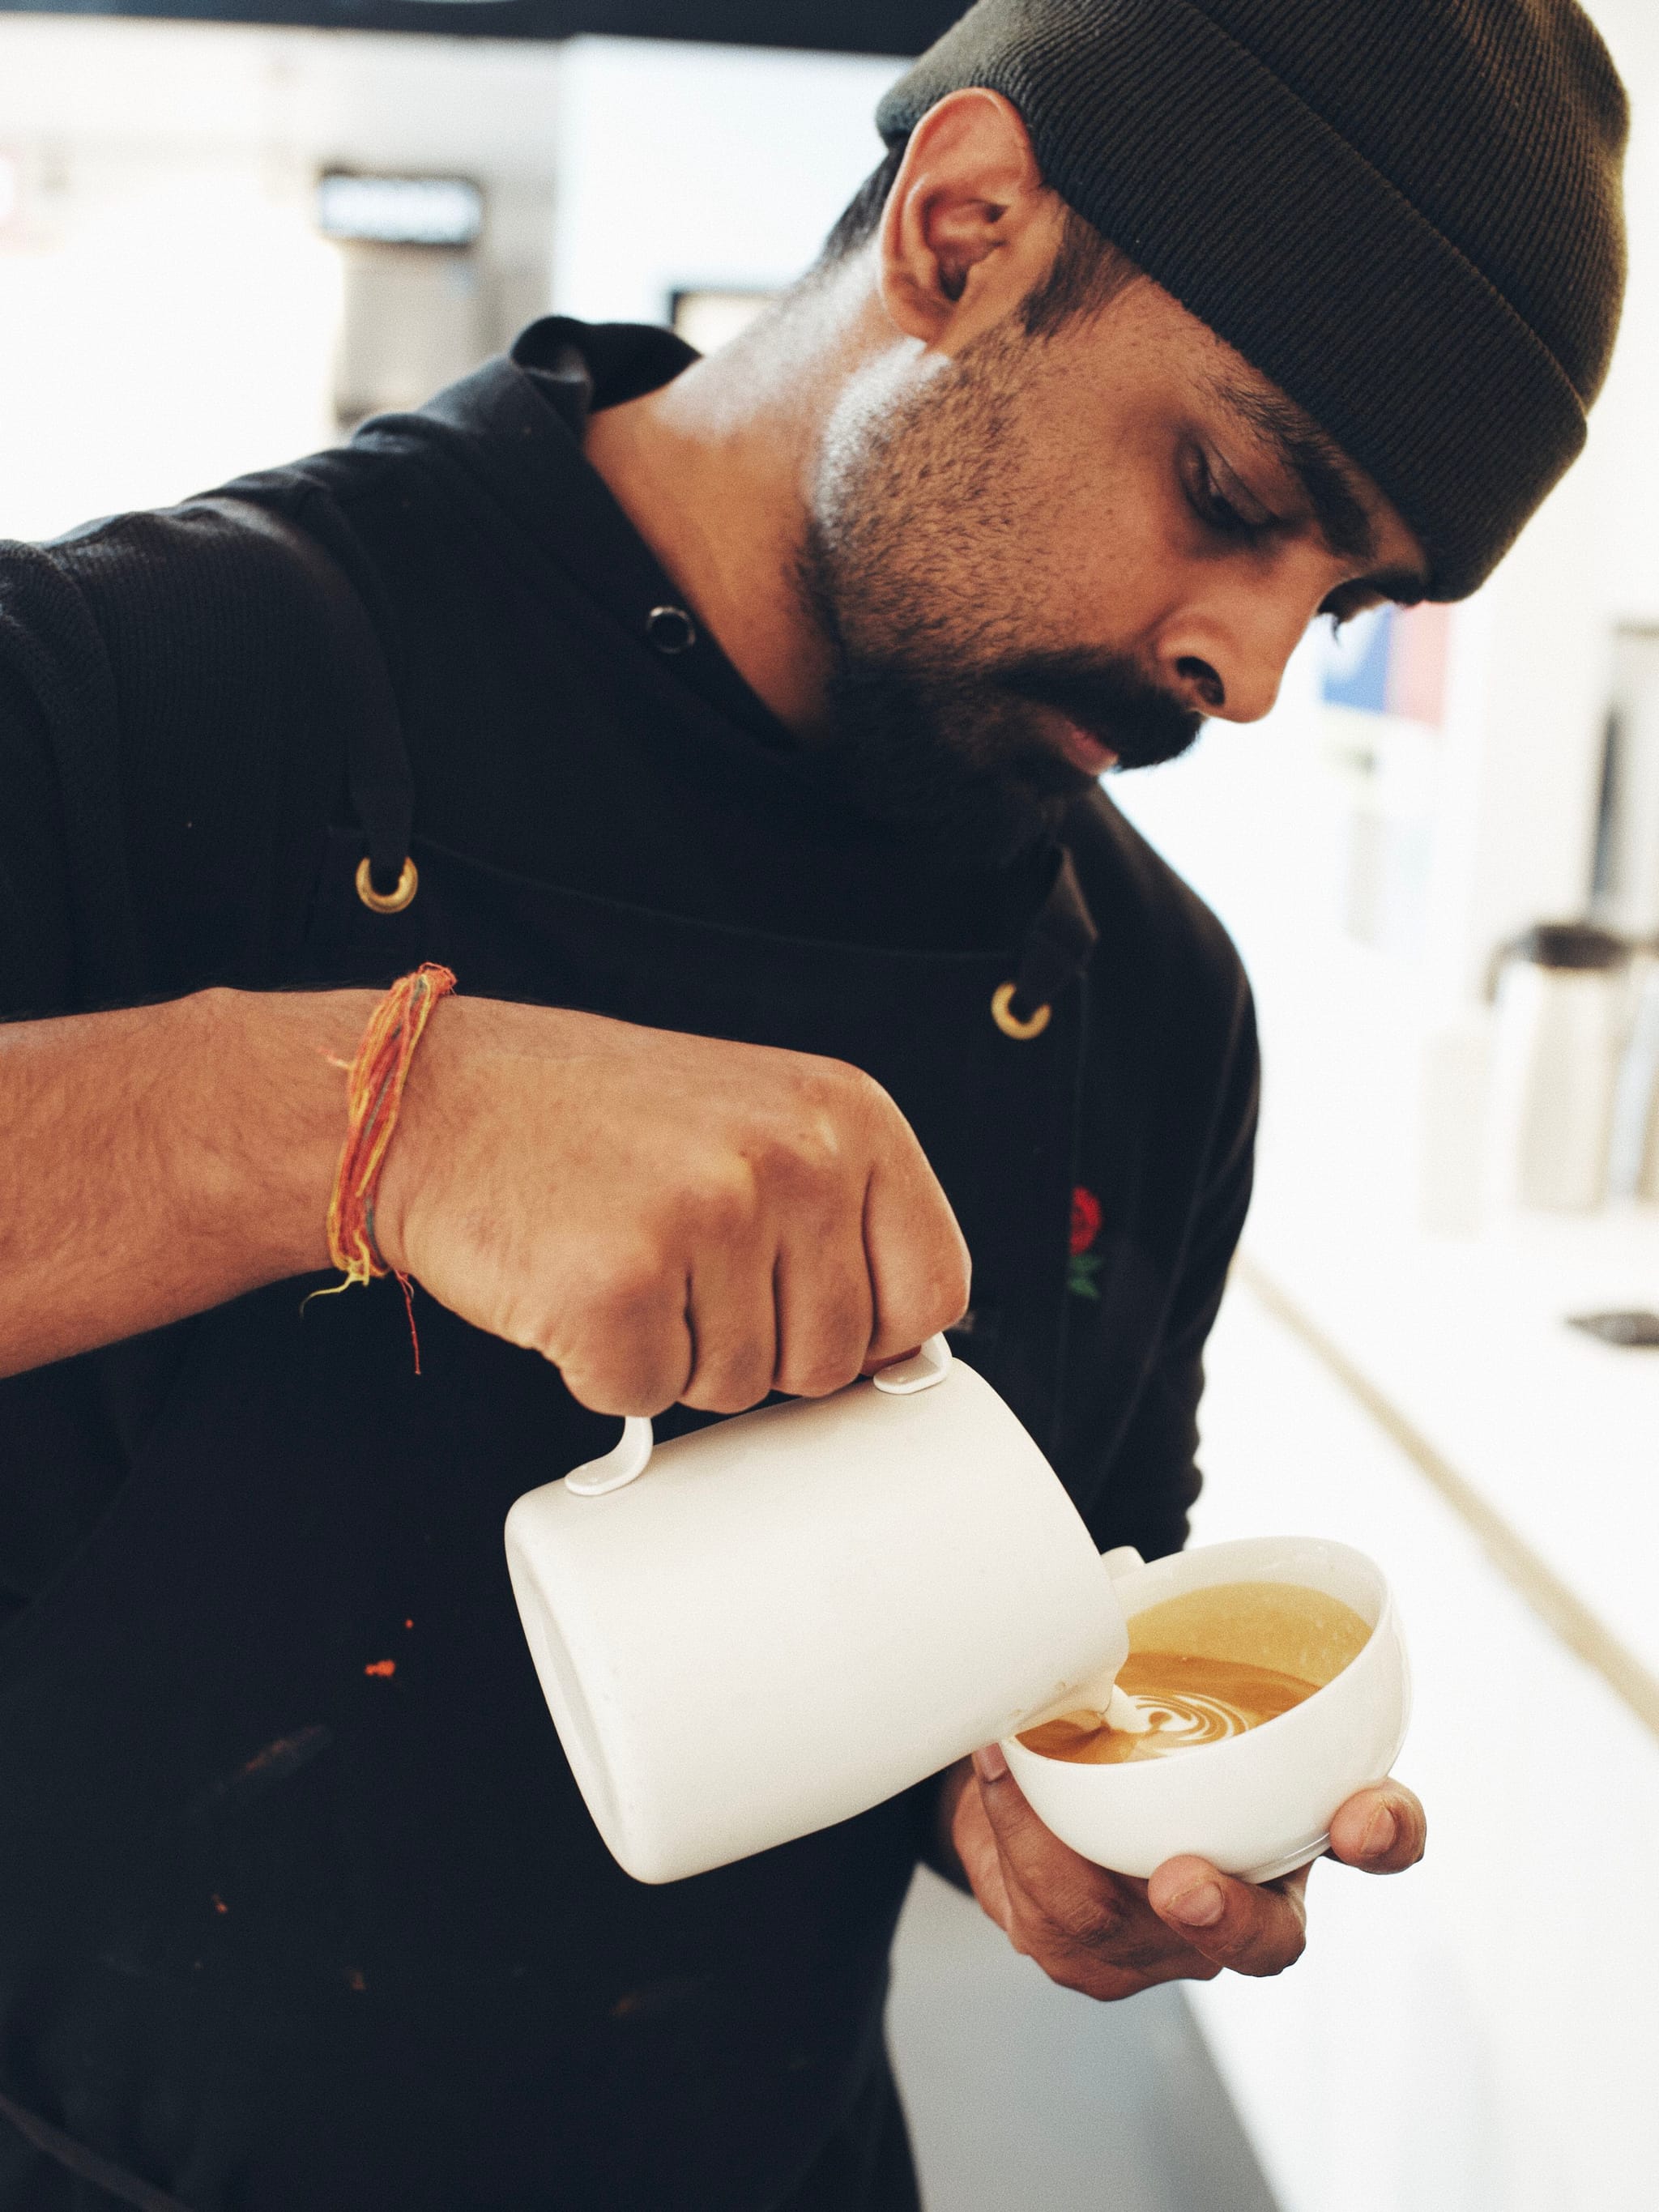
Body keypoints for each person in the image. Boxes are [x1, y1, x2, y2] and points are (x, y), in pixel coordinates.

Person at [0, 0, 1626, 2204]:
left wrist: (1029, 1815)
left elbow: (1038, 1620)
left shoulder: (1153, 1004)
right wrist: (359, 1118)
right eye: (1237, 500)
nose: (1250, 670)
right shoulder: (181, 681)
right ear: (965, 231)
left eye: (1345, 603)